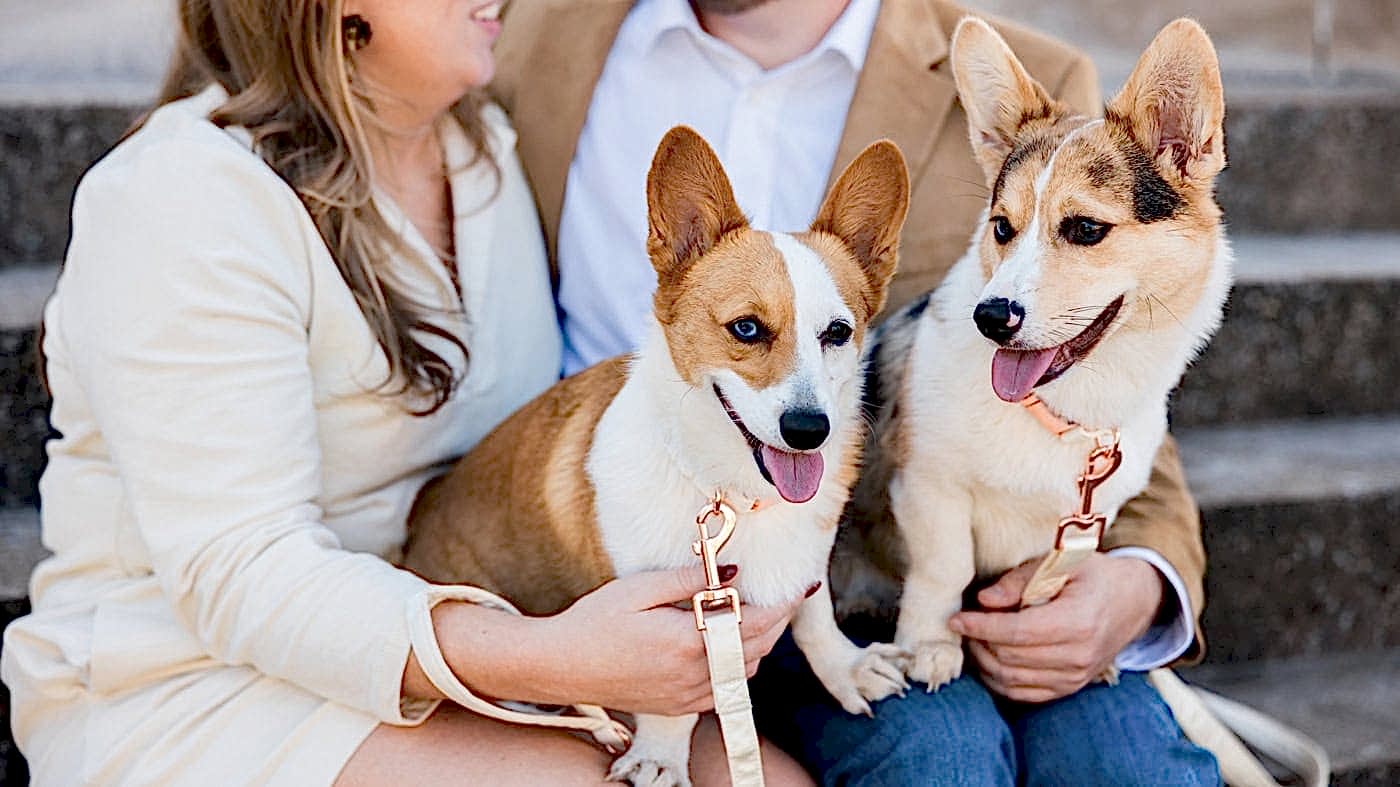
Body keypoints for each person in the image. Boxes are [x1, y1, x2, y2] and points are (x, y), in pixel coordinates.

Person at [0, 1, 813, 784]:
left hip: (461, 631)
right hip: (198, 682)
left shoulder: (482, 148)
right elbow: (242, 571)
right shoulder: (181, 195)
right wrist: (552, 653)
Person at [489, 0, 1220, 783]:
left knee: (1131, 762)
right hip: (646, 556)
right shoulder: (522, 37)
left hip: (949, 576)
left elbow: (1123, 385)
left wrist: (1140, 585)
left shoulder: (1034, 85)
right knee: (940, 756)